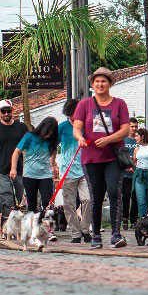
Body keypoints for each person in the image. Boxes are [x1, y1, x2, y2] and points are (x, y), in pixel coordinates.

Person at [72, 67, 131, 249]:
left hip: (113, 156)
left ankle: (115, 234)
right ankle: (96, 235)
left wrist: (109, 139)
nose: (100, 84)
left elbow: (126, 129)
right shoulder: (84, 105)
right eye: (97, 81)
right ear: (92, 84)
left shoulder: (119, 104)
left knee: (114, 192)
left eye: (103, 81)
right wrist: (80, 138)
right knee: (96, 196)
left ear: (110, 84)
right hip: (91, 158)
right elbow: (77, 127)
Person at [0, 99, 29, 224]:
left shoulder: (22, 127)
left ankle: (18, 226)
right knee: (6, 199)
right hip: (1, 170)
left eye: (9, 111)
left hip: (19, 170)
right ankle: (7, 226)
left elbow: (29, 147)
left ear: (12, 111)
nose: (6, 114)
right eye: (4, 111)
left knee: (19, 200)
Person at [57, 98, 92, 243]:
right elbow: (54, 145)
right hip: (67, 170)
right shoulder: (63, 127)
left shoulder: (87, 126)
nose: (72, 117)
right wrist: (53, 164)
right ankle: (75, 233)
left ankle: (85, 229)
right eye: (69, 115)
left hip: (84, 169)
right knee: (69, 204)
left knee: (88, 199)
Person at [11, 117, 59, 213]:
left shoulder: (52, 141)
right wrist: (13, 168)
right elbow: (16, 152)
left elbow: (53, 153)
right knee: (31, 204)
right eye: (47, 133)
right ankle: (32, 225)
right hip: (30, 174)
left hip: (45, 175)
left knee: (47, 203)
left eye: (50, 134)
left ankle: (46, 225)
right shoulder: (29, 137)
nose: (48, 136)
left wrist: (53, 165)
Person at [120, 117, 140, 229]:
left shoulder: (138, 140)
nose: (134, 129)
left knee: (136, 196)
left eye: (136, 126)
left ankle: (133, 220)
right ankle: (125, 218)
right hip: (125, 173)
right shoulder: (124, 139)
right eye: (132, 126)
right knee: (126, 195)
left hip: (136, 173)